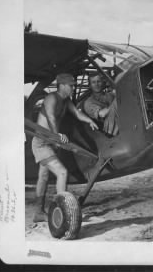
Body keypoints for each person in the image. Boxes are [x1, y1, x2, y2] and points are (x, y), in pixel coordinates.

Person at [31, 73, 98, 222]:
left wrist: (89, 121)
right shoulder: (51, 98)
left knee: (43, 177)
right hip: (42, 143)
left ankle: (38, 212)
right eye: (71, 85)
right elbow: (51, 117)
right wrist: (58, 136)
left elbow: (77, 113)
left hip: (51, 143)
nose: (73, 87)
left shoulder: (66, 101)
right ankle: (64, 210)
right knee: (62, 173)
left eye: (74, 85)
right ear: (62, 85)